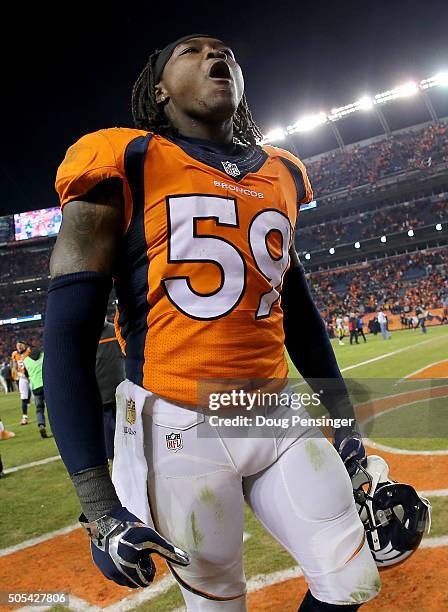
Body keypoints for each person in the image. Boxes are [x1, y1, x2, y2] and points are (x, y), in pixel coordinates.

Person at [44, 34, 379, 611]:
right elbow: (67, 339)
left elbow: (300, 319)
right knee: (217, 603)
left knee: (352, 580)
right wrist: (98, 505)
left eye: (223, 50)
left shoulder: (280, 172)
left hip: (273, 411)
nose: (212, 55)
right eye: (189, 52)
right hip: (177, 418)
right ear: (159, 91)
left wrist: (345, 425)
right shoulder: (125, 159)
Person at [96, 318, 126, 460]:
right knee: (127, 423)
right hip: (120, 385)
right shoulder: (115, 330)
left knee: (108, 426)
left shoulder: (88, 334)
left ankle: (114, 457)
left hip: (102, 390)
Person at [23, 348, 49, 438]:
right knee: (51, 408)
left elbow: (26, 374)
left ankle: (41, 424)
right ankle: (57, 427)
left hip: (35, 387)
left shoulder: (26, 361)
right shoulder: (44, 355)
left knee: (39, 409)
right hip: (46, 385)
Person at [11, 341, 31, 425]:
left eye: (20, 345)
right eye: (17, 345)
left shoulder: (29, 351)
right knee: (23, 397)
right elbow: (13, 365)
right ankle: (24, 417)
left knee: (39, 394)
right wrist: (17, 372)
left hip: (31, 376)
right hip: (22, 377)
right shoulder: (15, 354)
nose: (19, 347)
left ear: (24, 345)